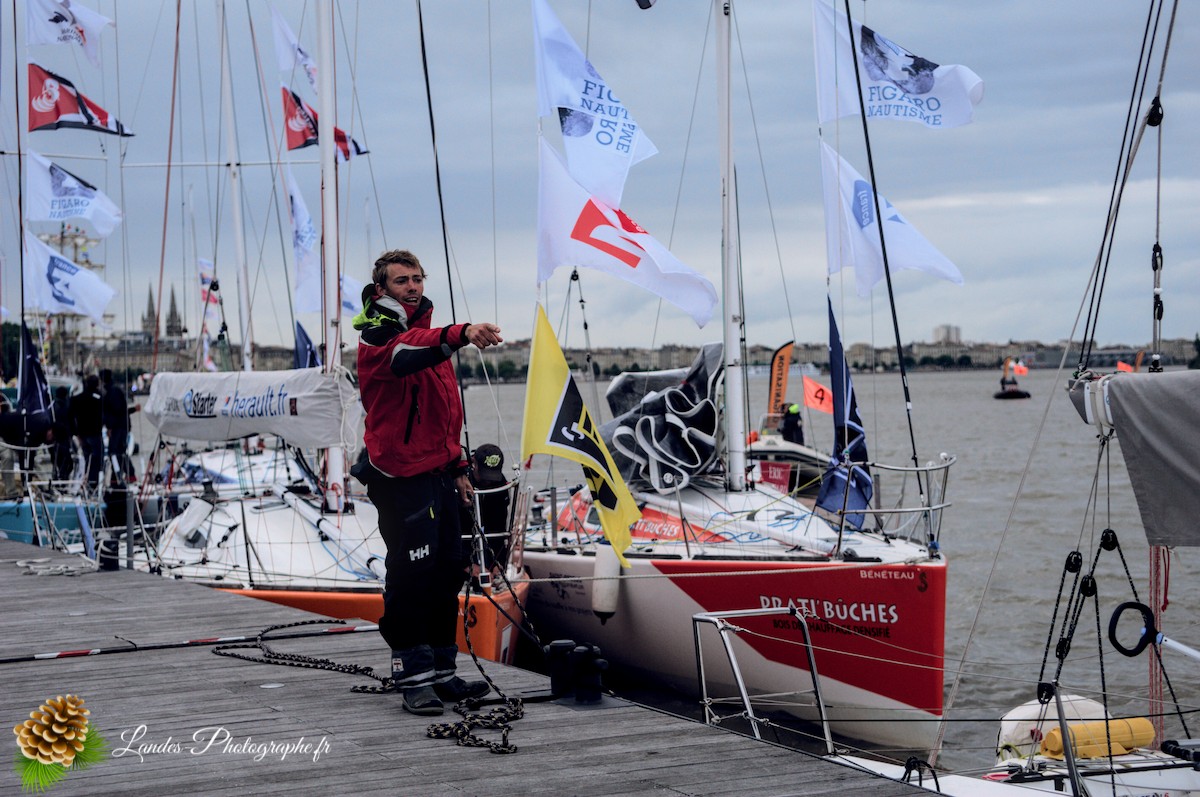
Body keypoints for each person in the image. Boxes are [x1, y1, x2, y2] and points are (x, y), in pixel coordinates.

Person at [352, 249, 503, 716]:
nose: (413, 286)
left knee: (448, 571)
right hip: (399, 476)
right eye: (402, 281)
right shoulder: (379, 334)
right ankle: (412, 675)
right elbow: (403, 356)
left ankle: (441, 671)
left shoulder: (427, 336)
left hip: (438, 472)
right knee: (412, 574)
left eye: (417, 278)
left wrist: (458, 468)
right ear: (382, 289)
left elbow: (442, 414)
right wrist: (461, 333)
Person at [71, 375, 104, 490]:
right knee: (96, 460)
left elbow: (72, 415)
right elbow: (103, 414)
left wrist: (76, 432)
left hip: (82, 434)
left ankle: (86, 481)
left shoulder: (77, 398)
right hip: (94, 434)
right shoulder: (99, 398)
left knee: (87, 459)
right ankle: (93, 484)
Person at [50, 386, 75, 482]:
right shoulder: (66, 406)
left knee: (56, 460)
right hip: (64, 437)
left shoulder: (52, 406)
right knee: (66, 461)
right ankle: (63, 479)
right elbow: (71, 421)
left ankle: (57, 478)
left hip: (54, 438)